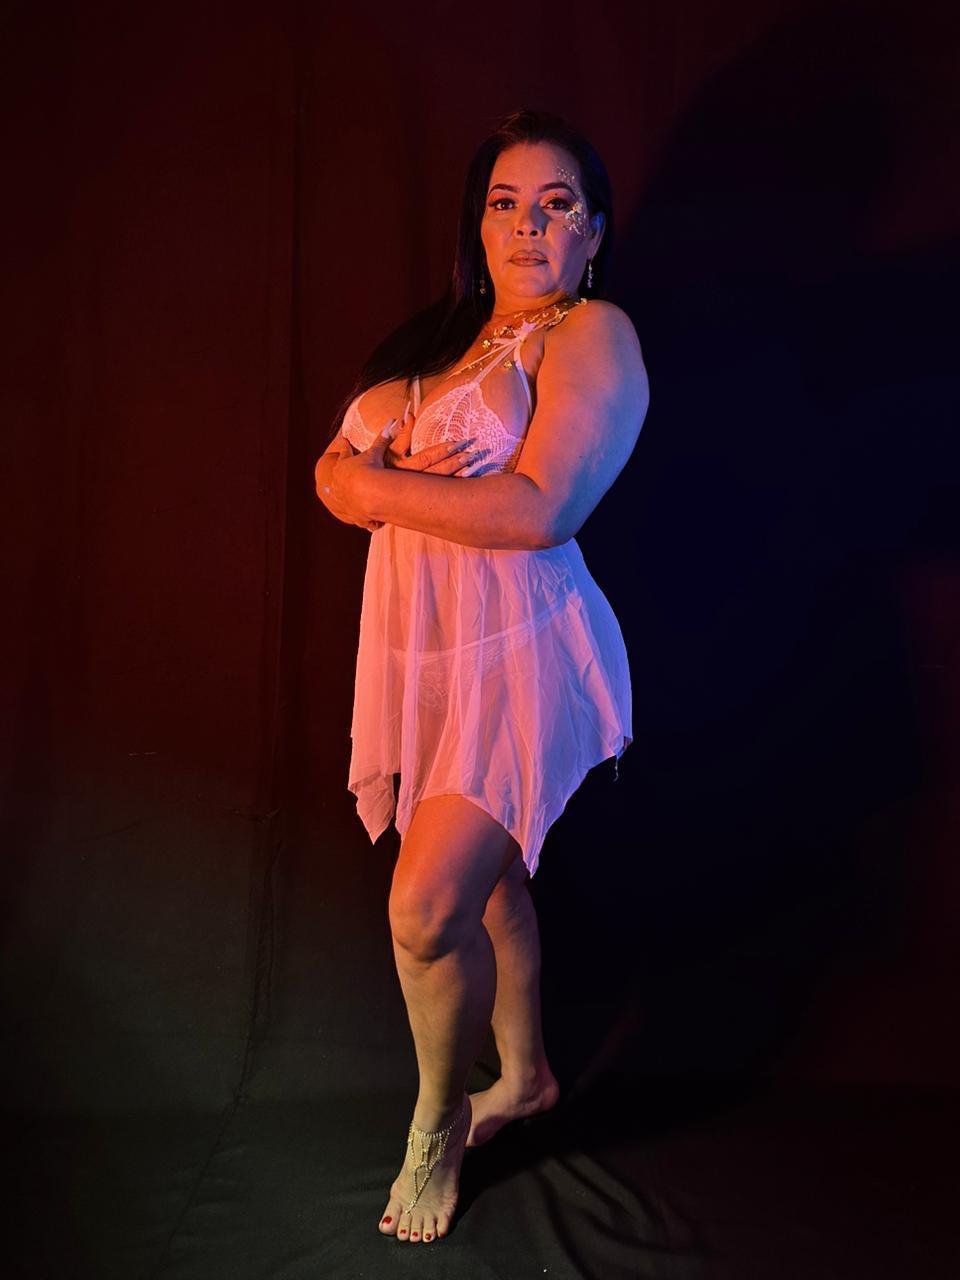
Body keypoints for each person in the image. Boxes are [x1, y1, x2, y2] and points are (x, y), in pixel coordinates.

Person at [314, 108, 649, 1245]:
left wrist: (372, 487)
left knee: (425, 908)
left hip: (523, 652)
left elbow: (540, 506)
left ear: (591, 230)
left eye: (556, 205)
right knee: (491, 881)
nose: (527, 226)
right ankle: (531, 1076)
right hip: (428, 650)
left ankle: (437, 1122)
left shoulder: (591, 334)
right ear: (479, 224)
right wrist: (350, 478)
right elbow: (329, 464)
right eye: (506, 204)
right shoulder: (444, 339)